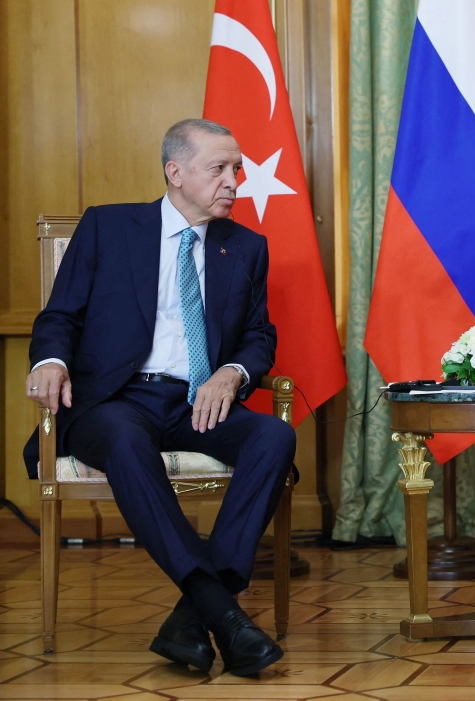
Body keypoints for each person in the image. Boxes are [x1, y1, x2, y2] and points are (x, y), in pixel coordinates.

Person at [23, 119, 296, 677]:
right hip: (117, 400)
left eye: (237, 168)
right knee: (125, 441)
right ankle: (221, 609)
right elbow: (60, 315)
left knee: (275, 435)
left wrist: (234, 372)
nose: (234, 181)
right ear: (175, 173)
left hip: (200, 401)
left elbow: (258, 335)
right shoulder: (109, 226)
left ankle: (193, 618)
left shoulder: (245, 246)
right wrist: (50, 360)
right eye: (218, 168)